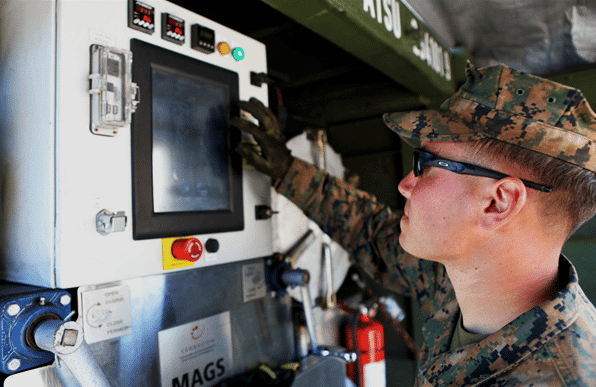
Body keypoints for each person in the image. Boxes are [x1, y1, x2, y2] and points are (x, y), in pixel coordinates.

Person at [230, 62, 596, 385]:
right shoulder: (459, 281)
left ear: (497, 202)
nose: (406, 184)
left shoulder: (560, 377)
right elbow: (371, 233)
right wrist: (287, 170)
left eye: (426, 163)